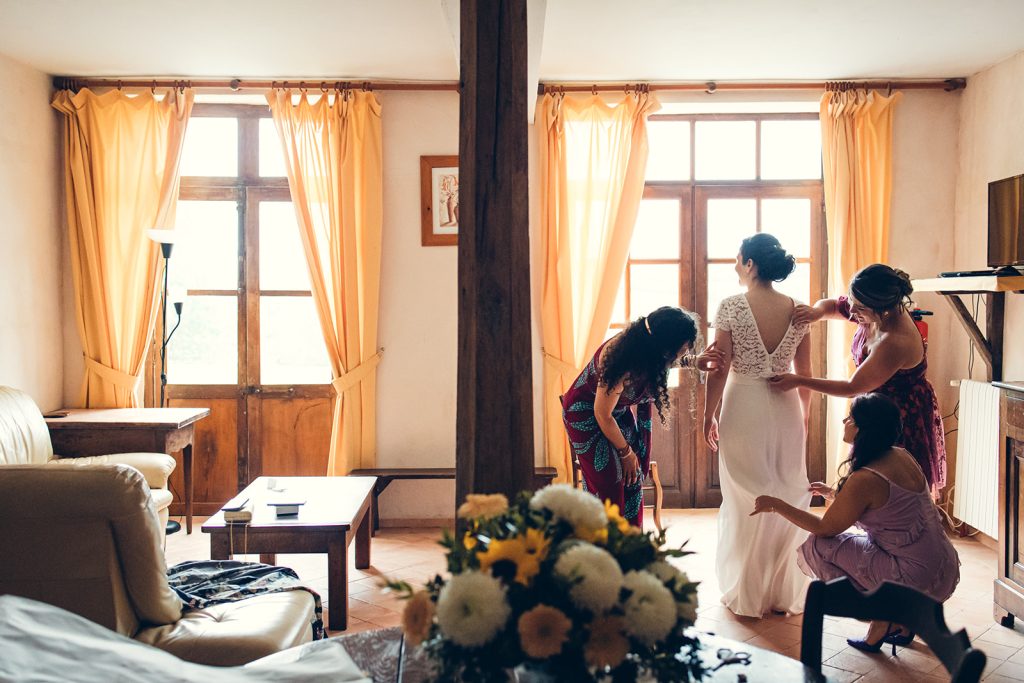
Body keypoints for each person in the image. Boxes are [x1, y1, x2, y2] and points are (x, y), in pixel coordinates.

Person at [751, 393, 960, 652]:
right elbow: (888, 506)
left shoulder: (864, 479)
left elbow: (824, 528)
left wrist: (777, 504)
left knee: (818, 545)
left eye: (850, 418)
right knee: (854, 543)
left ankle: (881, 616)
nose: (844, 421)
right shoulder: (900, 455)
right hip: (943, 566)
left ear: (863, 429)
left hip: (913, 579)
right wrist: (832, 493)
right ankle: (904, 624)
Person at [703, 233, 813, 617]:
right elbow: (805, 374)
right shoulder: (799, 310)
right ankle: (780, 592)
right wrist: (803, 417)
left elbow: (718, 370)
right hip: (786, 408)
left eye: (738, 259)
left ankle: (748, 591)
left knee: (745, 495)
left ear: (750, 264)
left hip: (743, 405)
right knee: (786, 490)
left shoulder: (731, 306)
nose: (735, 265)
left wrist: (708, 415)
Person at [768, 264, 946, 497]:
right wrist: (817, 312)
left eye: (859, 307)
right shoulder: (873, 309)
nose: (851, 310)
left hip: (896, 417)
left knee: (889, 489)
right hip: (874, 408)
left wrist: (799, 380)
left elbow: (852, 387)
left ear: (883, 310)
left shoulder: (895, 342)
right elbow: (833, 305)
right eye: (852, 300)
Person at [561, 306, 721, 527]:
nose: (684, 353)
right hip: (585, 414)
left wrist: (695, 361)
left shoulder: (650, 348)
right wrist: (625, 452)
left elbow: (665, 361)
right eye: (682, 349)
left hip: (615, 412)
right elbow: (602, 414)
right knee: (610, 480)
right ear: (665, 346)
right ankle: (607, 541)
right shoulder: (619, 357)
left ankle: (632, 538)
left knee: (632, 477)